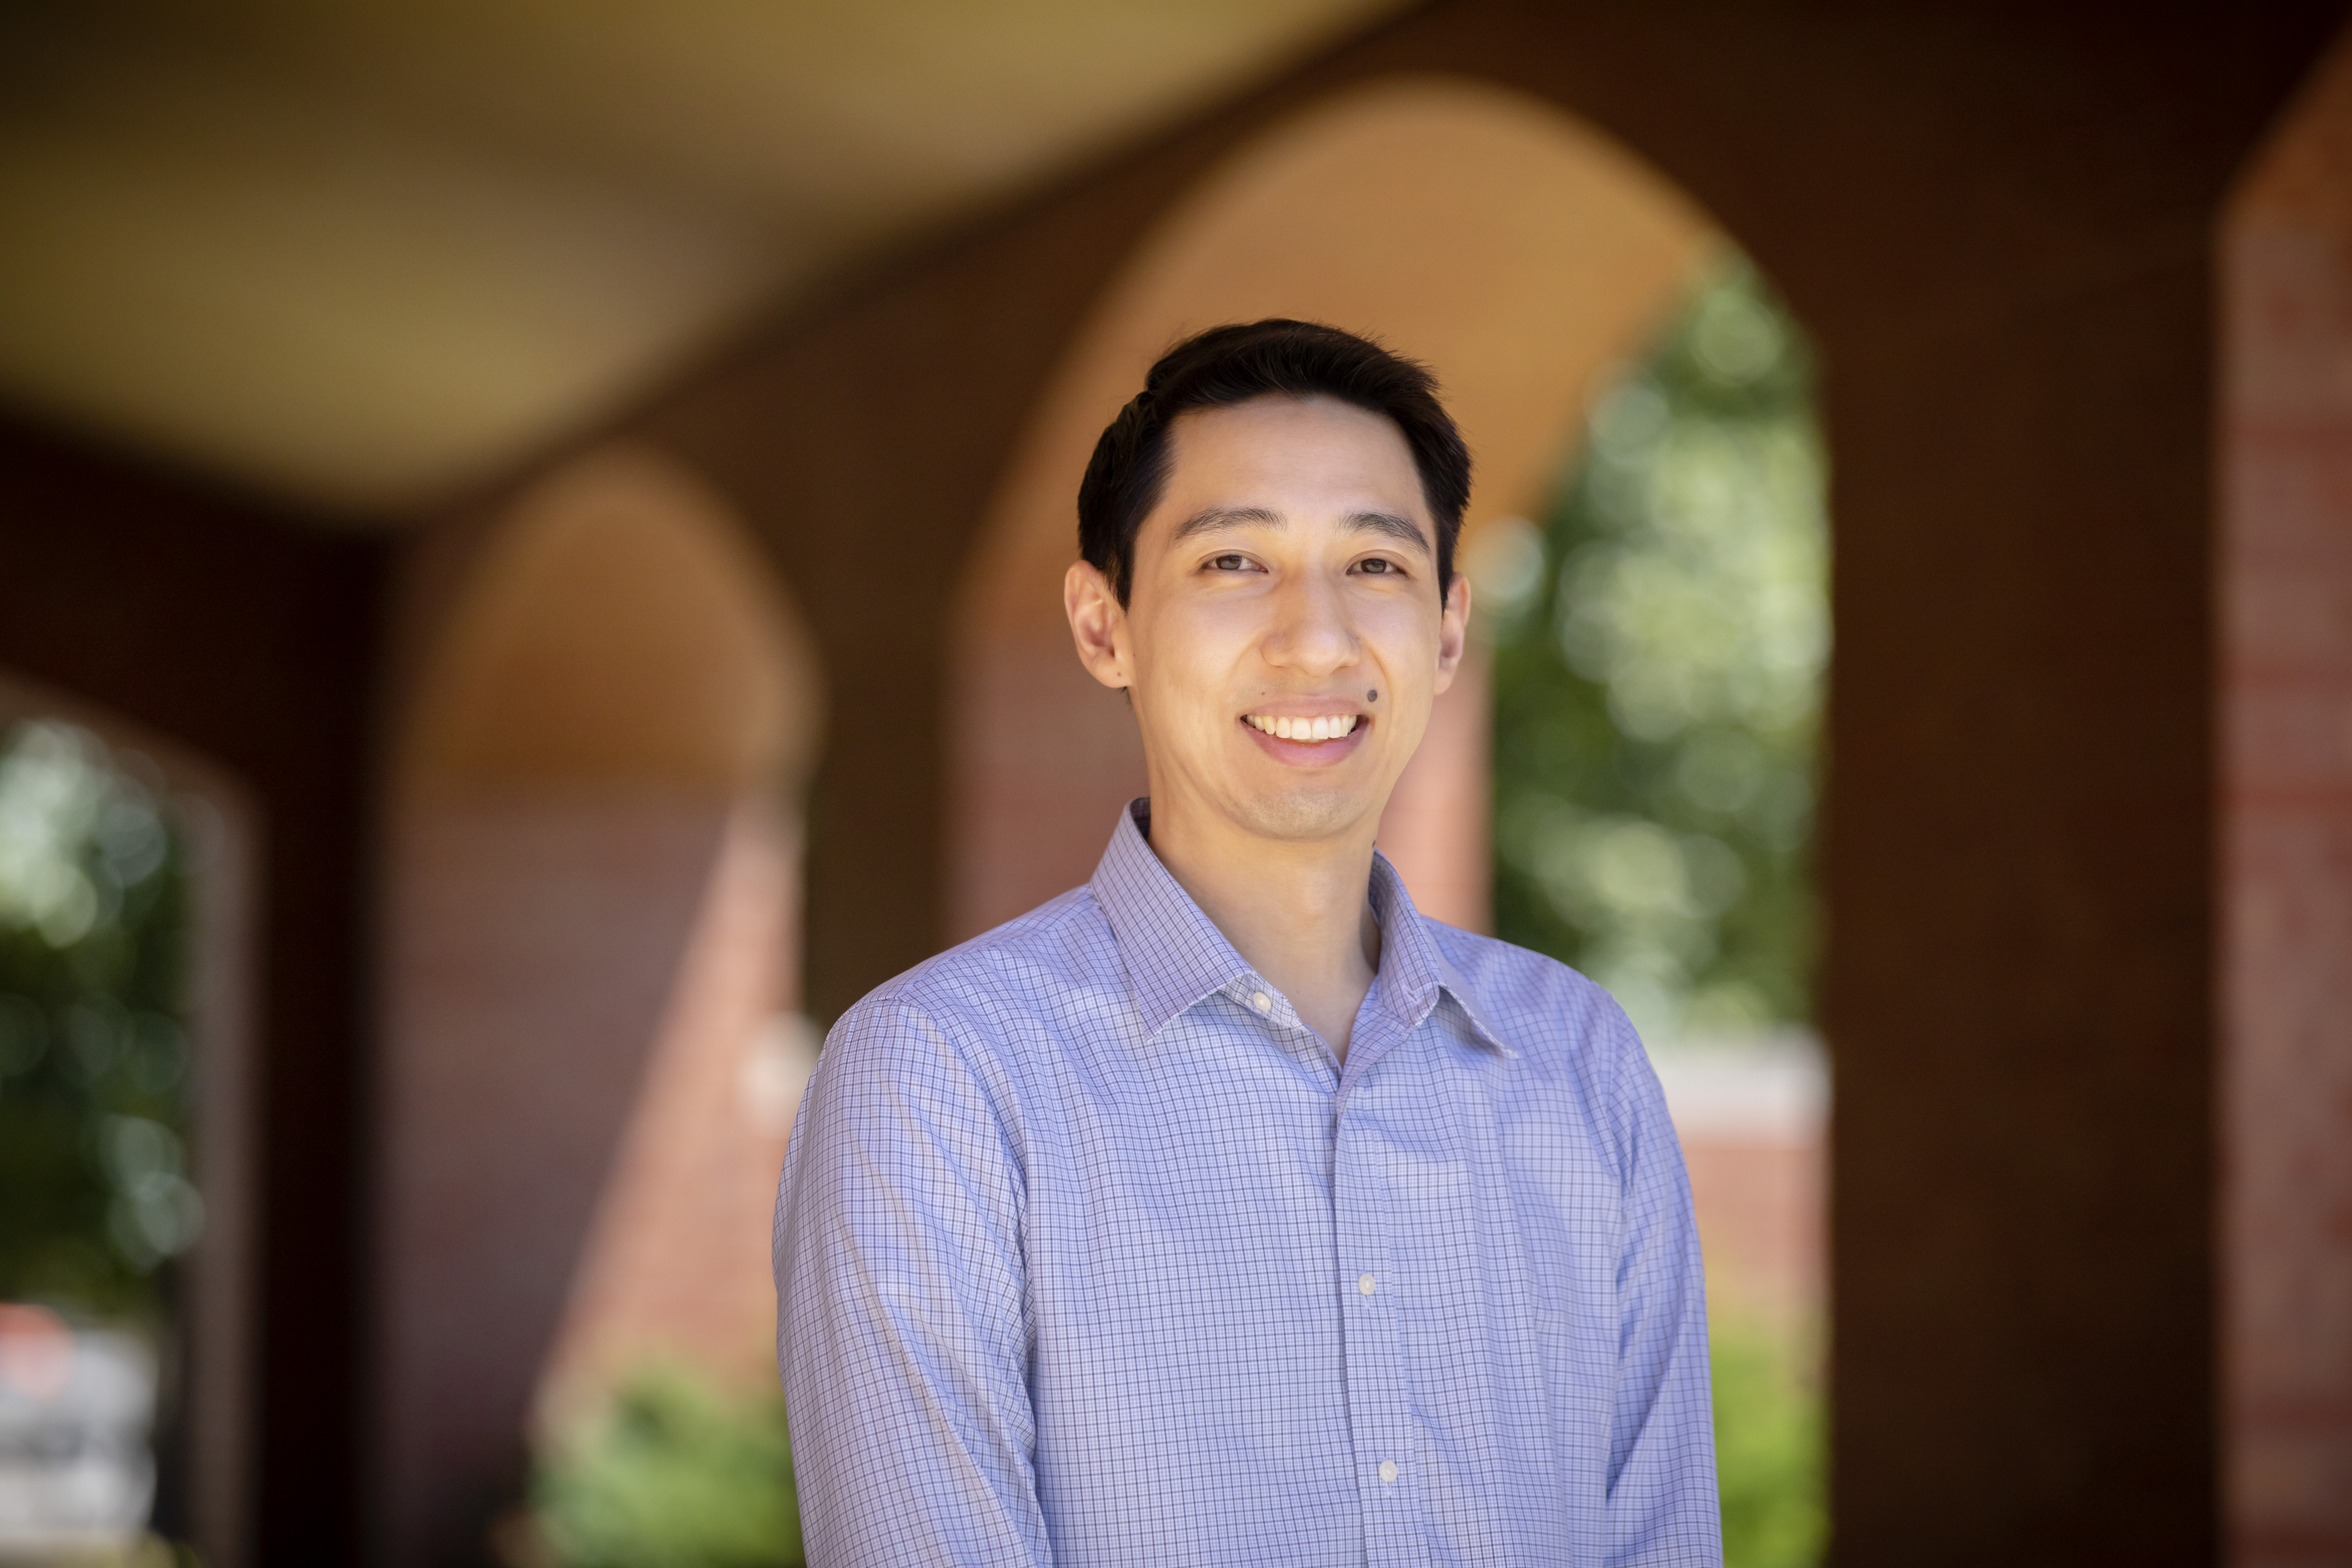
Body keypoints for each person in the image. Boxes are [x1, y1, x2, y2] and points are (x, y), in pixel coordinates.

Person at [774, 320, 1719, 1565]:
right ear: (1103, 623)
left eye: (1375, 567)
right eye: (1233, 560)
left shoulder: (1581, 1064)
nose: (1316, 639)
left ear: (1445, 629)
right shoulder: (939, 1079)